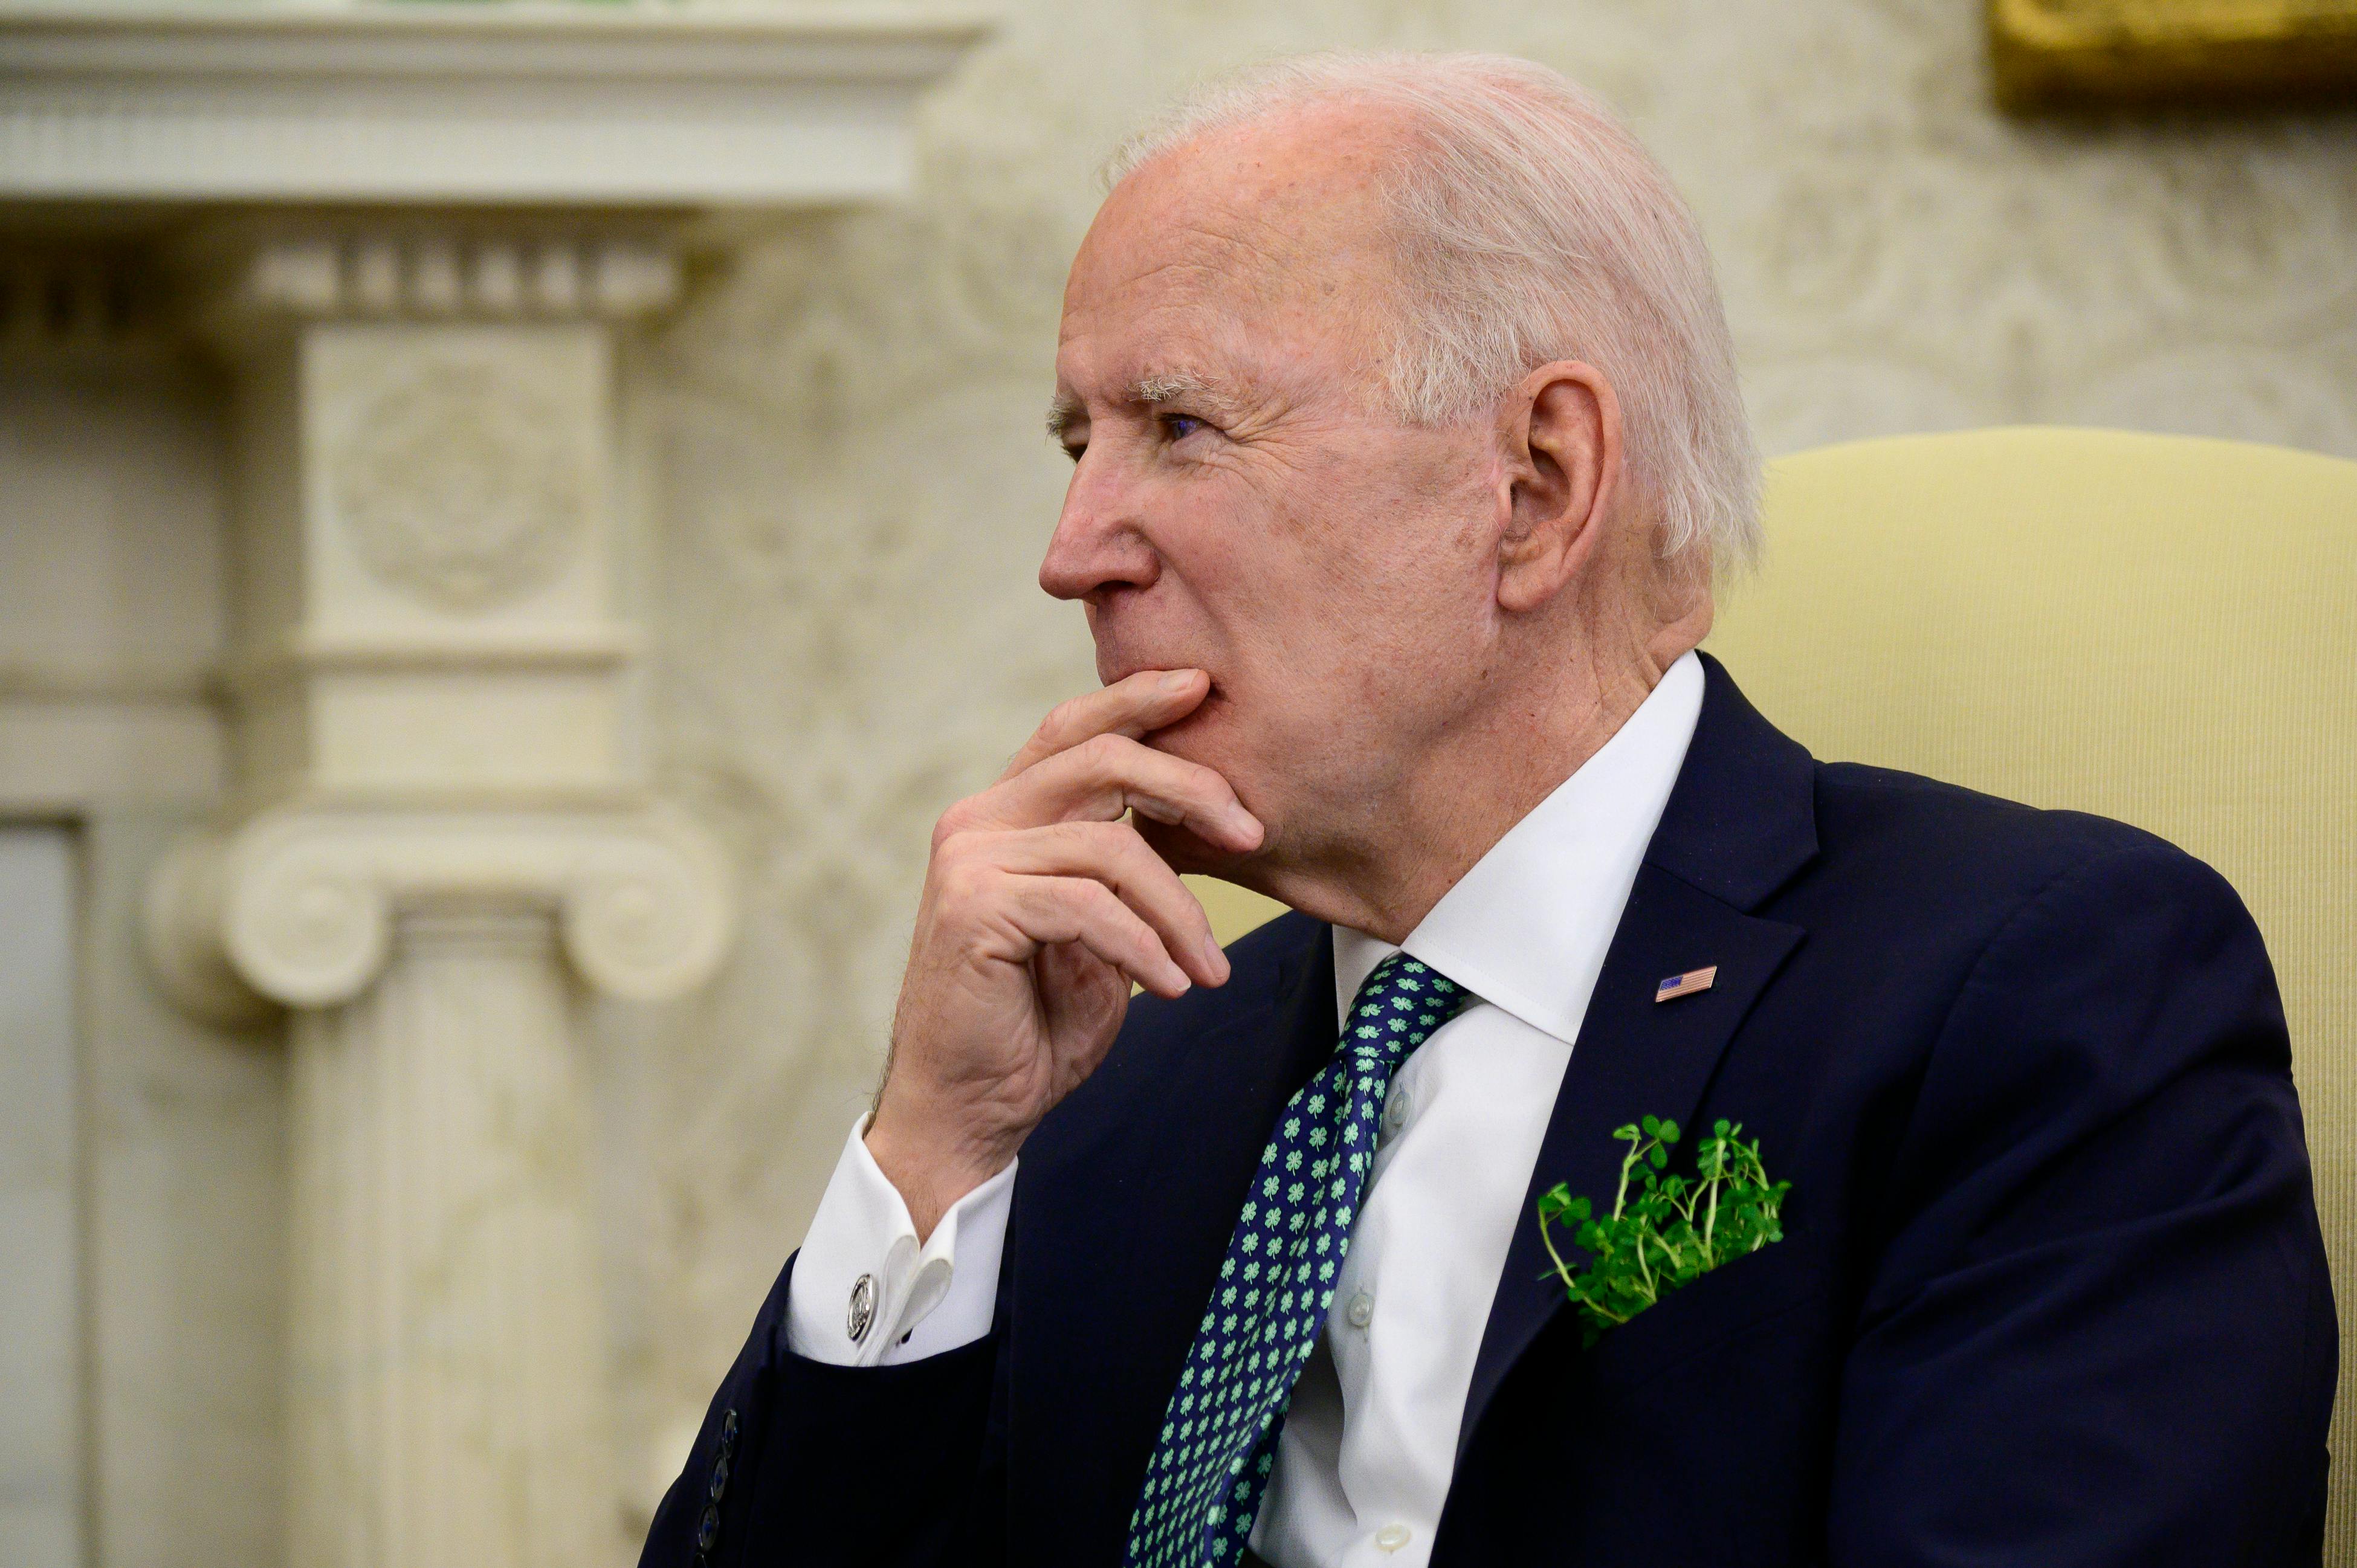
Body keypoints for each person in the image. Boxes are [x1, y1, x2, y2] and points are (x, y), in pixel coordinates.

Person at [641, 51, 2335, 1568]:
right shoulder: (1099, 1087)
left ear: (1534, 487)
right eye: (1073, 442)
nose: (1072, 548)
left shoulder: (2035, 996)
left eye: (1176, 426)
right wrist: (933, 1154)